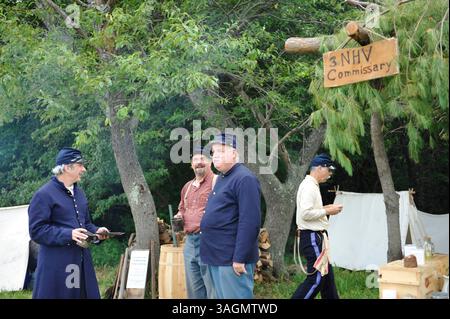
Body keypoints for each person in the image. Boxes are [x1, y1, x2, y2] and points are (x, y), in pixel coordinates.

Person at [28, 147, 109, 299]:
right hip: (57, 265)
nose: (83, 169)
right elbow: (36, 231)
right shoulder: (44, 195)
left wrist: (97, 232)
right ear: (67, 167)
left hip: (79, 263)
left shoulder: (80, 193)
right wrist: (68, 234)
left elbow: (85, 224)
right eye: (80, 165)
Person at [200, 133, 261, 299]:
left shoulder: (244, 178)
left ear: (234, 153)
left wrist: (239, 258)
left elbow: (250, 222)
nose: (216, 155)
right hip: (216, 256)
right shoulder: (222, 178)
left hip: (231, 260)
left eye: (221, 150)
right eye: (213, 152)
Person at [291, 153, 343, 299]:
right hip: (312, 237)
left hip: (316, 237)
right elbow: (305, 214)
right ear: (319, 168)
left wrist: (326, 207)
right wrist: (327, 210)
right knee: (317, 279)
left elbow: (310, 211)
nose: (330, 174)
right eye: (329, 170)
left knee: (327, 282)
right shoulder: (309, 186)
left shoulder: (311, 185)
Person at [175, 146, 217, 299]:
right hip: (190, 243)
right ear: (191, 165)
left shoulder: (217, 182)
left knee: (212, 288)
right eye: (195, 160)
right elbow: (182, 208)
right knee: (194, 289)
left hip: (209, 241)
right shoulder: (187, 187)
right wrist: (179, 215)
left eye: (203, 159)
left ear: (210, 162)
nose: (199, 162)